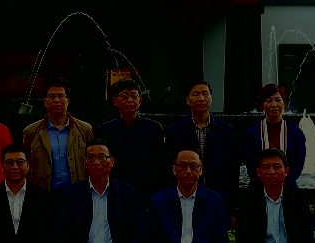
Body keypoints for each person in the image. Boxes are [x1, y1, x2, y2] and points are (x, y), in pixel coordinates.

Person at [166, 80, 240, 223]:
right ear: (187, 100)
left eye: (205, 93)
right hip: (184, 197)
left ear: (211, 98)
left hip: (218, 198)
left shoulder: (226, 130)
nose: (201, 98)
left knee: (218, 235)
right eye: (196, 94)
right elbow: (168, 169)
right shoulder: (175, 132)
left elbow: (233, 169)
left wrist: (232, 206)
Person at [96, 78, 165, 206]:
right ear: (115, 101)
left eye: (134, 96)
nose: (130, 100)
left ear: (140, 101)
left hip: (146, 193)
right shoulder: (105, 130)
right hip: (115, 193)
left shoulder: (154, 129)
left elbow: (159, 165)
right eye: (124, 96)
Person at [22, 77, 93, 192]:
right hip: (43, 194)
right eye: (51, 96)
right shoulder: (31, 132)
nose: (56, 100)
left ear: (68, 100)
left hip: (76, 193)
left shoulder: (84, 130)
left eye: (61, 96)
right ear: (44, 101)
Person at [242, 84, 306, 189]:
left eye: (278, 100)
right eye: (268, 101)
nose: (274, 105)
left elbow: (298, 164)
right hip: (258, 187)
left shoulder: (296, 133)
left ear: (284, 103)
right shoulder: (252, 132)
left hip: (288, 186)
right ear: (262, 105)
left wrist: (283, 184)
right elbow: (250, 164)